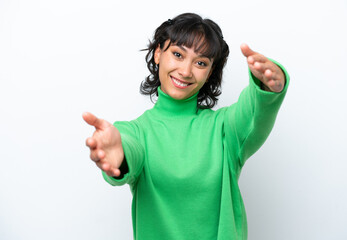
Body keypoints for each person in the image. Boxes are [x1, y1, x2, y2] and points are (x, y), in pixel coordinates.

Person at [83, 13, 289, 240]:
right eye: (178, 55)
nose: (186, 71)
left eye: (200, 62)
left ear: (210, 72)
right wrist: (118, 158)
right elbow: (127, 150)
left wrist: (267, 87)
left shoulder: (224, 129)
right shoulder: (136, 132)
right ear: (158, 53)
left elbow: (253, 112)